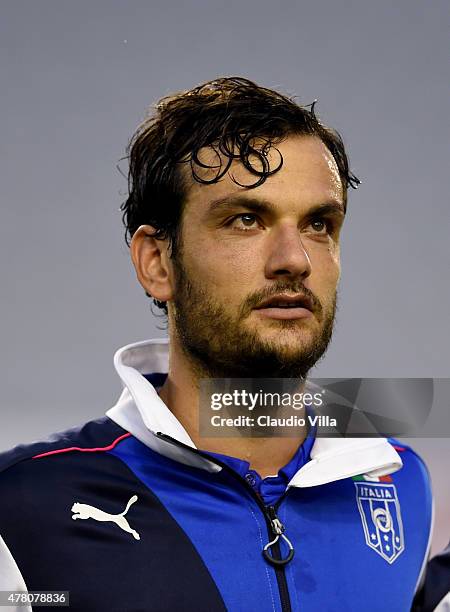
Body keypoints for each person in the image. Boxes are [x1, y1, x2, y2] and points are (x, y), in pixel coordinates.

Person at [0, 77, 445, 611]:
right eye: (245, 220)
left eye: (319, 224)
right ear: (157, 263)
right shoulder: (22, 505)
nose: (295, 259)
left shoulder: (401, 480)